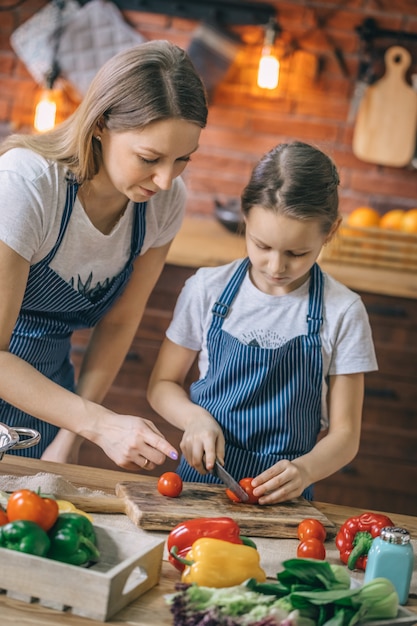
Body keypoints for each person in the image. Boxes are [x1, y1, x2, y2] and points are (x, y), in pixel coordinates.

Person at [0, 40, 208, 470]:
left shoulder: (162, 203)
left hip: (47, 404)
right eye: (149, 158)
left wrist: (70, 435)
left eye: (183, 159)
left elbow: (119, 323)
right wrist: (96, 423)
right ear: (99, 126)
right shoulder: (28, 185)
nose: (167, 180)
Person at [148, 141, 378, 504]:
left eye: (296, 253)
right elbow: (162, 385)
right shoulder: (207, 289)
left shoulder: (344, 311)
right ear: (245, 216)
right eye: (261, 245)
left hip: (282, 495)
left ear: (330, 231)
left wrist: (305, 471)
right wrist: (195, 419)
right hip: (201, 483)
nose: (276, 266)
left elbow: (346, 435)